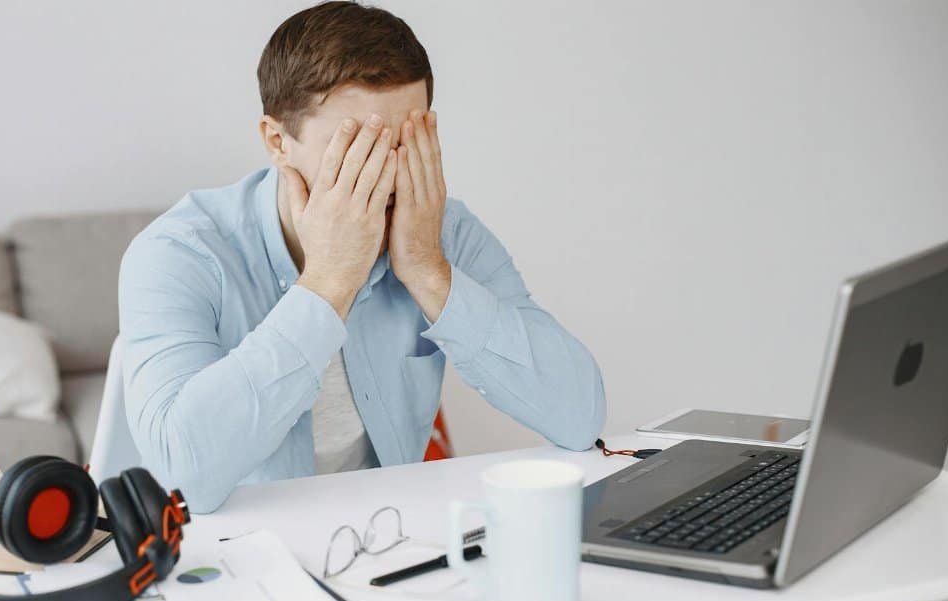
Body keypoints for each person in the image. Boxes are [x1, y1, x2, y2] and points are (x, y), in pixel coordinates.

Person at [118, 1, 607, 515]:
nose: (385, 175)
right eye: (356, 149)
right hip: (219, 544)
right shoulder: (179, 252)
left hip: (381, 532)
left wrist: (428, 270)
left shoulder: (442, 230)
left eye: (405, 144)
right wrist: (328, 282)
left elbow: (579, 416)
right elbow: (180, 478)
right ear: (278, 141)